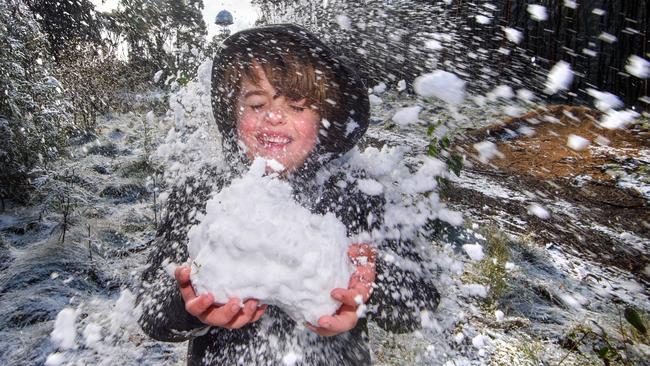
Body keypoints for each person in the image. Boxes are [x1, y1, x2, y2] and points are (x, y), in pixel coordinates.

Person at [138, 24, 439, 365]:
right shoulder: (201, 195)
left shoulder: (359, 195)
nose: (275, 117)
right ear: (233, 113)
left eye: (297, 106)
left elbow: (418, 305)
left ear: (325, 119)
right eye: (256, 103)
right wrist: (188, 306)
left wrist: (371, 281)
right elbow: (151, 313)